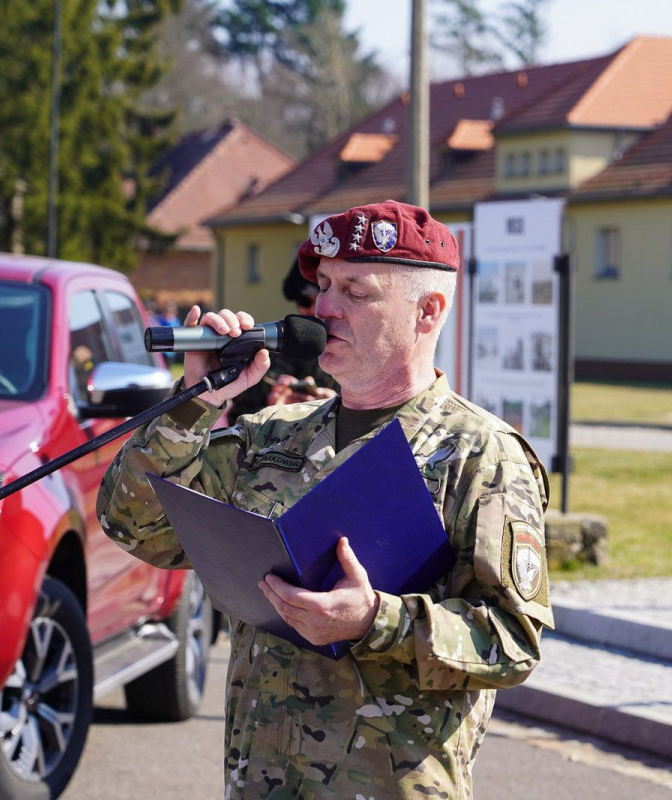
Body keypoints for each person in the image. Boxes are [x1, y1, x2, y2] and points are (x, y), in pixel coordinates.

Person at [97, 199, 552, 798]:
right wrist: (195, 400)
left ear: (428, 311)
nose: (324, 308)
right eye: (324, 285)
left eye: (356, 292)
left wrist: (375, 620)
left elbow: (512, 642)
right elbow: (134, 523)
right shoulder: (272, 435)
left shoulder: (481, 455)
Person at [227, 257, 338, 420]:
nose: (307, 309)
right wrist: (272, 409)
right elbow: (237, 420)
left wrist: (336, 405)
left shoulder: (348, 351)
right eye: (303, 301)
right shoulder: (270, 354)